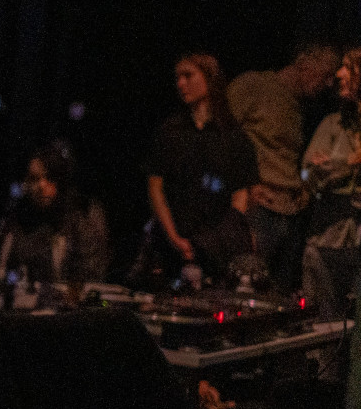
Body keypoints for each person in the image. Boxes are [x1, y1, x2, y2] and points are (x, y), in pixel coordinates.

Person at [227, 44, 340, 293]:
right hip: (260, 208)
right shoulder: (253, 86)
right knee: (247, 287)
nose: (329, 83)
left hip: (290, 212)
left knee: (277, 295)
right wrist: (244, 188)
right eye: (326, 73)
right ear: (305, 64)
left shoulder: (300, 106)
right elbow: (223, 139)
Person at [144, 53, 259, 290]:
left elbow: (243, 195)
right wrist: (174, 237)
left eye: (188, 75)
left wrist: (214, 243)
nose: (181, 84)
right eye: (178, 77)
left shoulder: (233, 137)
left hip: (216, 249)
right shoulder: (170, 131)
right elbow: (156, 188)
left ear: (209, 78)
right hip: (171, 241)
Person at [0, 140, 111, 304]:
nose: (41, 185)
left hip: (67, 315)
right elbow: (1, 273)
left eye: (49, 177)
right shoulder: (17, 221)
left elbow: (91, 272)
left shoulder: (81, 215)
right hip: (22, 311)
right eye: (34, 179)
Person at [300, 46, 361, 321]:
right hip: (328, 242)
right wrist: (350, 162)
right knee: (324, 327)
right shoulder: (332, 125)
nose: (339, 74)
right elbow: (308, 175)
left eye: (348, 67)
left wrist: (332, 165)